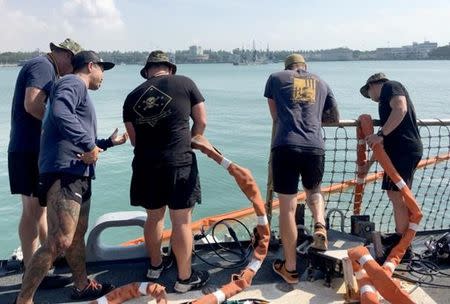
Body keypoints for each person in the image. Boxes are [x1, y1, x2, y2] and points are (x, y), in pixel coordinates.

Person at [16, 50, 128, 304]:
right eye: (102, 69)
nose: (103, 76)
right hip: (65, 174)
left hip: (77, 172)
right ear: (90, 66)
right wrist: (89, 144)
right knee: (59, 241)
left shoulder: (76, 88)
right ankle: (24, 300)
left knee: (77, 236)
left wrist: (106, 143)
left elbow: (69, 133)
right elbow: (58, 111)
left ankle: (82, 286)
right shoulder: (72, 83)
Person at [123, 50, 209, 293]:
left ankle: (155, 267)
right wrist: (189, 141)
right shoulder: (186, 83)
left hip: (145, 165)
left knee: (154, 217)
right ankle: (184, 279)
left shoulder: (131, 97)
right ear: (170, 69)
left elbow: (134, 140)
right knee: (181, 219)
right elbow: (201, 122)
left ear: (148, 71)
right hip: (178, 162)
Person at [8, 38, 82, 287]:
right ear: (66, 56)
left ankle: (45, 262)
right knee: (31, 211)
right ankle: (32, 271)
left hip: (30, 148)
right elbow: (32, 104)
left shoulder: (47, 68)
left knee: (38, 209)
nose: (73, 71)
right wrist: (58, 127)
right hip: (28, 149)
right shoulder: (43, 67)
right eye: (74, 64)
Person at [264, 54, 339, 284]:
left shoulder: (275, 78)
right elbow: (334, 118)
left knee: (287, 207)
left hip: (285, 145)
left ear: (287, 67)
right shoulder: (322, 82)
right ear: (305, 67)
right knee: (314, 191)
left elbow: (275, 116)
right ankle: (320, 224)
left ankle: (291, 268)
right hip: (315, 146)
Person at [359, 73, 423, 255]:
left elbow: (400, 109)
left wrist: (380, 134)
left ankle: (403, 242)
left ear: (373, 85)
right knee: (395, 194)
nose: (370, 98)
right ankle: (401, 237)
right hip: (397, 152)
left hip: (404, 150)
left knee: (398, 195)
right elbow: (382, 143)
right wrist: (368, 166)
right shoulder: (384, 105)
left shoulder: (391, 87)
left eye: (368, 92)